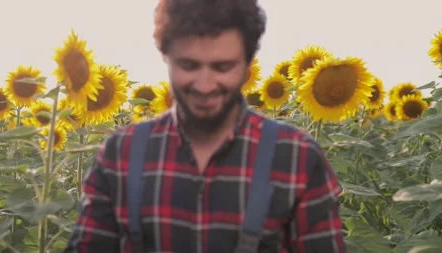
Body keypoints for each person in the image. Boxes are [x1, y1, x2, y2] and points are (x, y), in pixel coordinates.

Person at [63, 0, 346, 252]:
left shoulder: (296, 157)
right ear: (165, 57)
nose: (205, 85)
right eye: (189, 66)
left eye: (222, 67)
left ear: (248, 66)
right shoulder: (121, 154)